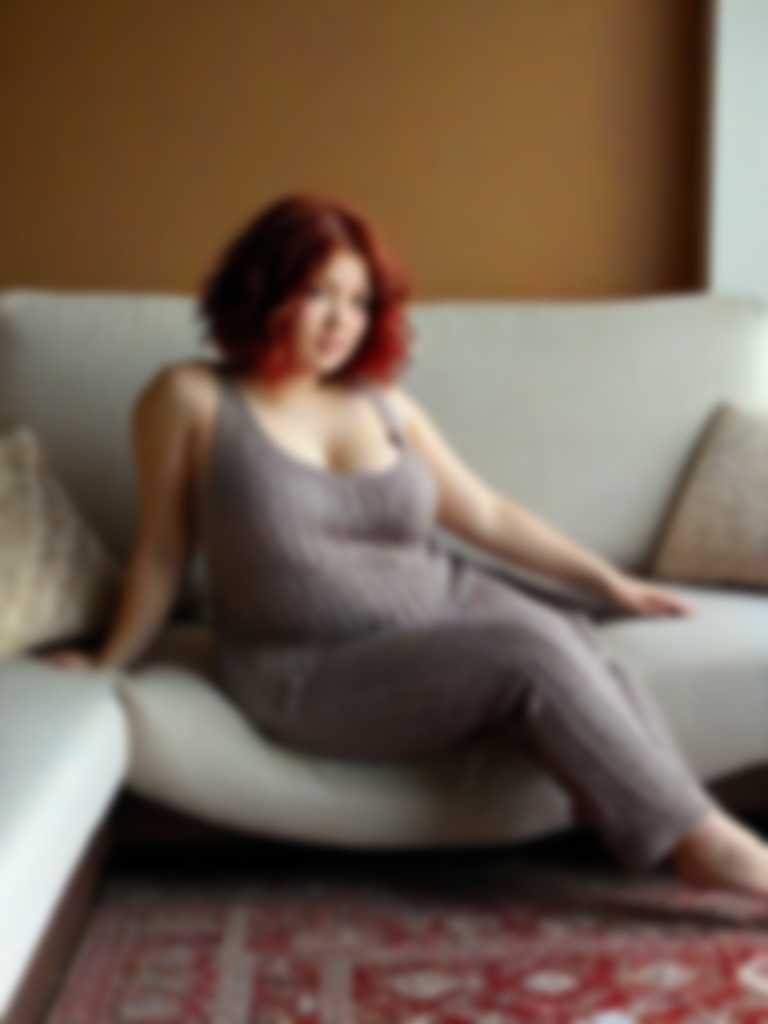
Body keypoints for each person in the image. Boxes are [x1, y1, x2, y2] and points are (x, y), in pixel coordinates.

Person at [45, 192, 768, 898]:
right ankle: (712, 849)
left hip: (451, 604)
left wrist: (610, 583)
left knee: (583, 646)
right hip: (308, 671)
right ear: (262, 289)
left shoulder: (383, 402)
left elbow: (487, 514)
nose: (341, 321)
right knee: (530, 653)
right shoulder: (190, 398)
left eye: (358, 302)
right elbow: (163, 552)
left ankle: (688, 832)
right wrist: (112, 658)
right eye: (318, 293)